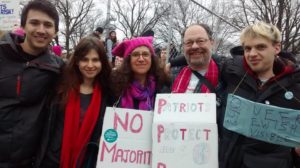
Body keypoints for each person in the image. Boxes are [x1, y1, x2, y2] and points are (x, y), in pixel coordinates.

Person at [219, 21, 300, 168]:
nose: (252, 54)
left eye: (260, 47)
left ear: (276, 48)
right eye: (247, 48)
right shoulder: (231, 73)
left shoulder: (295, 87)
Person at [0, 0, 63, 167]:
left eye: (48, 25)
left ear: (55, 32)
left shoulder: (59, 69)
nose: (41, 30)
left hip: (30, 161)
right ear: (23, 26)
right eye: (34, 23)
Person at [40, 36, 112, 168]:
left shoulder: (109, 93)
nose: (90, 65)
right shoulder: (60, 86)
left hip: (88, 161)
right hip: (54, 161)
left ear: (102, 62)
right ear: (77, 61)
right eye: (85, 59)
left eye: (95, 60)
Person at [171, 24, 225, 116]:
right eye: (189, 42)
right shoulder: (170, 76)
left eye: (200, 41)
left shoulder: (227, 77)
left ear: (211, 42)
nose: (194, 46)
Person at [111, 36, 170, 110]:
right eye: (135, 55)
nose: (141, 59)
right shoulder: (115, 86)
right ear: (128, 60)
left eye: (145, 54)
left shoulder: (162, 86)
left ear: (151, 59)